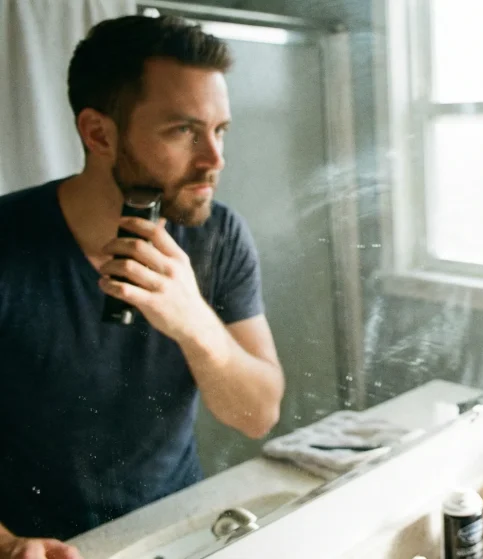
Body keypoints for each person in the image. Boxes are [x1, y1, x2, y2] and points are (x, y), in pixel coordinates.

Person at [0, 15, 285, 558]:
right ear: (99, 133)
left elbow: (258, 414)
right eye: (184, 131)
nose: (214, 159)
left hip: (178, 530)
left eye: (219, 130)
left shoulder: (219, 236)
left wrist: (194, 320)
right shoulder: (8, 243)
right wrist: (9, 544)